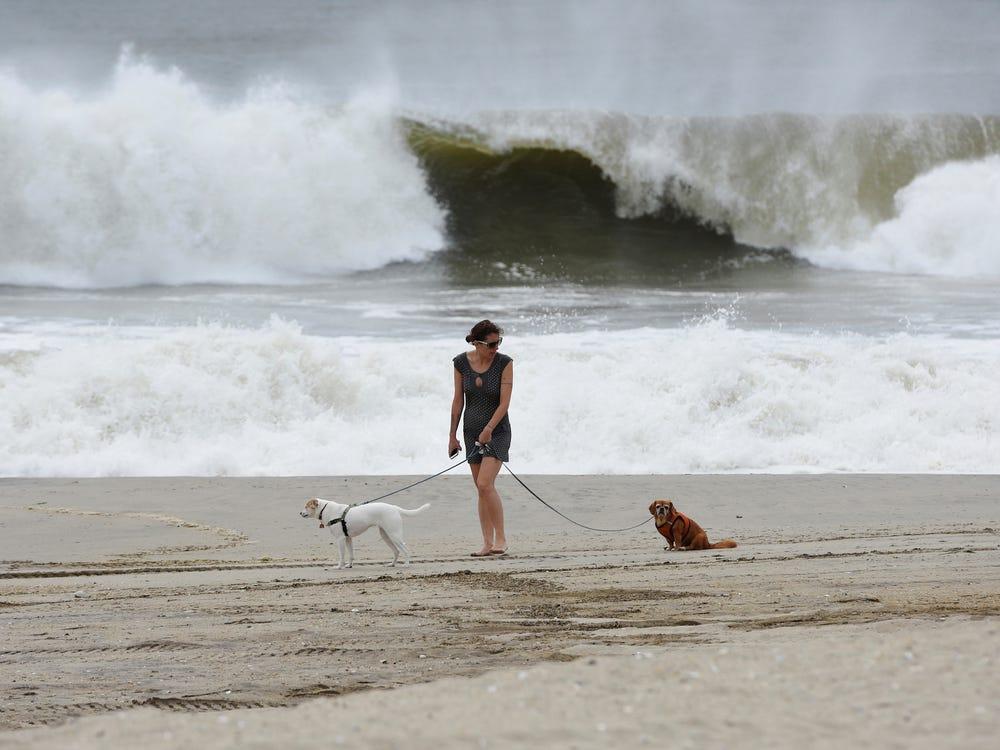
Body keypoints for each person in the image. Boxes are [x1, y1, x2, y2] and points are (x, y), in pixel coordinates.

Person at [450, 320, 513, 557]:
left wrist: (489, 428)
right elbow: (458, 401)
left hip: (497, 430)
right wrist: (452, 435)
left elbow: (505, 402)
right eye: (492, 344)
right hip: (471, 431)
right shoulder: (460, 363)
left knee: (486, 484)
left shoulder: (504, 363)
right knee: (480, 488)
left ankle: (501, 539)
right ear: (477, 343)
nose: (496, 348)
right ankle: (487, 543)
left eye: (499, 342)